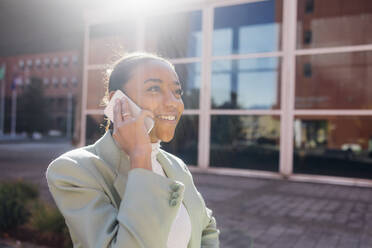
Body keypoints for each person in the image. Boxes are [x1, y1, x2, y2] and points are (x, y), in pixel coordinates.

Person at [46, 52, 220, 248]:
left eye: (177, 92)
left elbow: (206, 228)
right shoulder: (73, 170)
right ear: (118, 101)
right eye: (154, 89)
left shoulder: (175, 165)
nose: (173, 102)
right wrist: (140, 157)